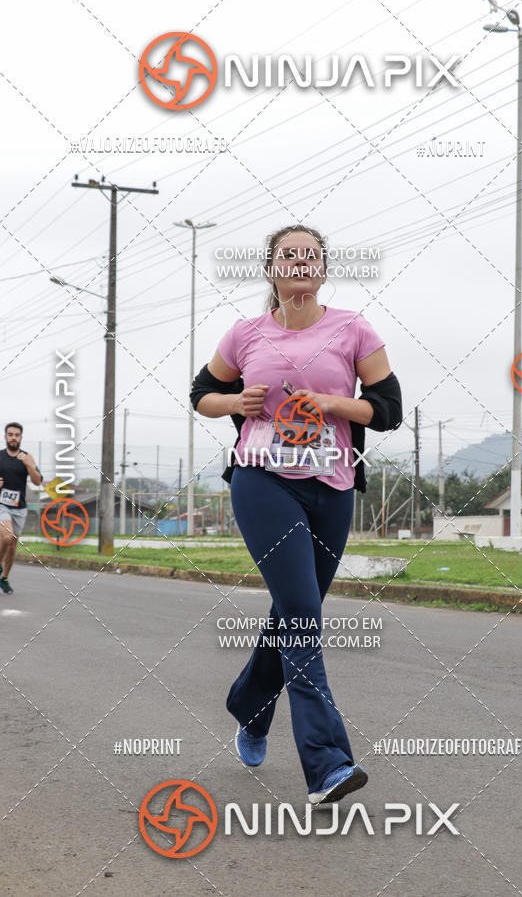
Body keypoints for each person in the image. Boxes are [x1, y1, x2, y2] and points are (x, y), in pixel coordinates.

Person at [191, 224, 402, 804]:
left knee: (293, 610)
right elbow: (201, 394)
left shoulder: (354, 329)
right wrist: (235, 401)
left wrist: (336, 403)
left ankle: (250, 708)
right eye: (289, 255)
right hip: (262, 480)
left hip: (332, 485)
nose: (300, 262)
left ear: (323, 270)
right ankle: (327, 763)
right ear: (272, 270)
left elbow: (388, 411)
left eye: (311, 255)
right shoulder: (245, 333)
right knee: (304, 613)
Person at [0, 423, 43, 594]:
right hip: (2, 504)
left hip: (20, 507)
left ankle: (4, 578)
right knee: (7, 535)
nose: (13, 438)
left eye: (16, 435)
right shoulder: (0, 457)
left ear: (21, 437)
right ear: (5, 436)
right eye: (10, 434)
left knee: (12, 545)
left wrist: (28, 465)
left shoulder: (27, 457)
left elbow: (38, 481)